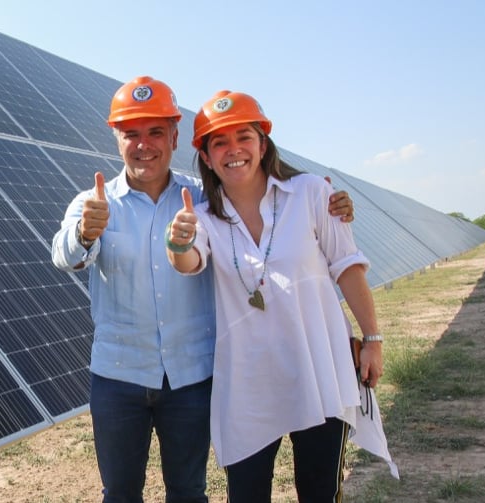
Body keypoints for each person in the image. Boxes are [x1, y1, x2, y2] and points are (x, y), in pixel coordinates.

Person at [51, 76, 355, 503]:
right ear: (116, 137)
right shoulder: (93, 203)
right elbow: (64, 257)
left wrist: (331, 201)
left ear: (175, 136)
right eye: (131, 134)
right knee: (119, 493)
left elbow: (266, 203)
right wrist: (84, 233)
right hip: (118, 377)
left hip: (191, 378)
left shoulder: (206, 199)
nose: (144, 144)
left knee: (189, 491)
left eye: (156, 131)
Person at [165, 90, 396, 502]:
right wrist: (178, 243)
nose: (233, 151)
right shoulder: (201, 217)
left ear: (263, 143)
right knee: (248, 494)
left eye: (243, 137)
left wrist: (372, 339)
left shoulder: (310, 193)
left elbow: (348, 266)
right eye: (219, 142)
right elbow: (189, 260)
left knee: (318, 491)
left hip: (318, 367)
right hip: (249, 383)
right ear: (205, 156)